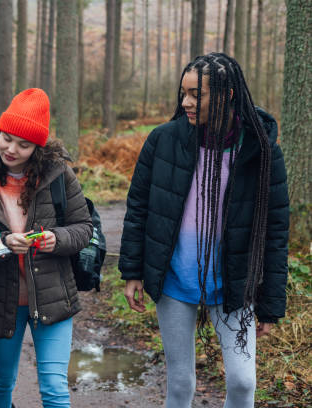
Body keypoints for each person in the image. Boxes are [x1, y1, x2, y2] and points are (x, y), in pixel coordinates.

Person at [119, 52, 289, 408]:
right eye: (183, 93)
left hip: (234, 285)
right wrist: (132, 271)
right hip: (175, 282)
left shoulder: (260, 150)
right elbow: (138, 207)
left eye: (197, 94)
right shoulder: (163, 140)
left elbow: (276, 229)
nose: (186, 103)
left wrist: (271, 303)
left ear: (226, 94)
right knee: (180, 383)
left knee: (243, 383)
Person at [0, 88, 93, 408]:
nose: (11, 148)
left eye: (24, 144)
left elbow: (84, 228)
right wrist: (1, 241)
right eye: (6, 138)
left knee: (54, 388)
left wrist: (56, 239)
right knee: (2, 380)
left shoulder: (58, 174)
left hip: (52, 296)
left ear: (38, 146)